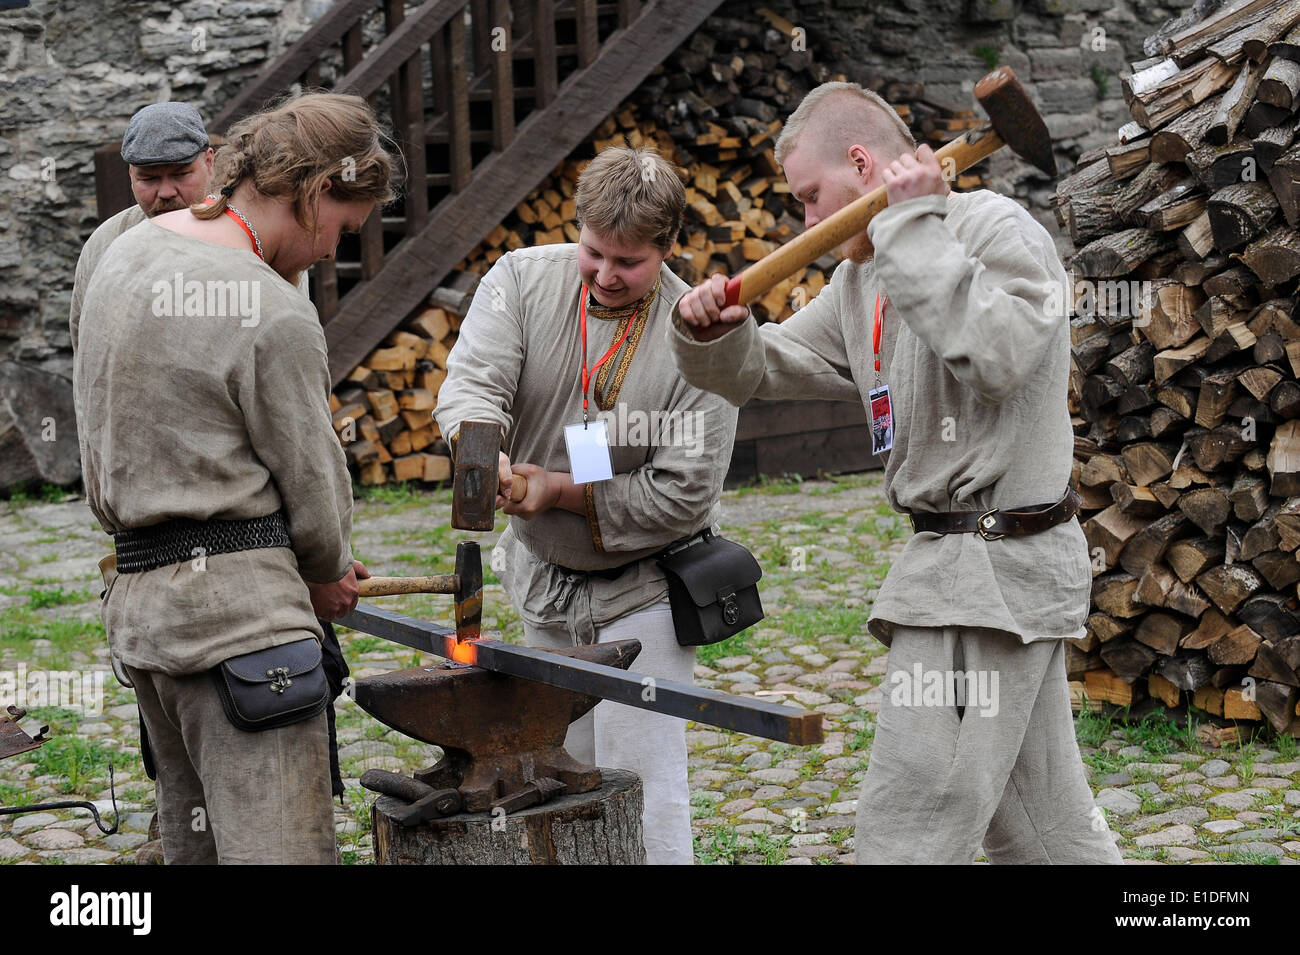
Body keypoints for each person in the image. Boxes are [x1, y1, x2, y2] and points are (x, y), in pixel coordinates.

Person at [668, 82, 1123, 865]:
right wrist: (717, 334)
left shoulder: (993, 228)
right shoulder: (857, 278)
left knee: (910, 817)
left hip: (992, 575)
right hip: (958, 575)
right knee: (1047, 829)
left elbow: (1000, 355)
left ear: (859, 162)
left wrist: (912, 223)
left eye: (812, 198)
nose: (808, 223)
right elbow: (778, 364)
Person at [73, 92, 398, 864]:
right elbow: (315, 488)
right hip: (244, 638)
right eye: (343, 231)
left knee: (196, 852)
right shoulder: (270, 307)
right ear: (317, 192)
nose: (330, 252)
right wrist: (324, 570)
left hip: (146, 624)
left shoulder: (120, 254)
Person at [435, 146, 739, 865]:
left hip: (647, 587)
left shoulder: (700, 336)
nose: (605, 275)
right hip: (546, 581)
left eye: (628, 263)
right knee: (560, 780)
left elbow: (685, 493)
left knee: (643, 786)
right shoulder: (520, 281)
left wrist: (557, 490)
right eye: (594, 252)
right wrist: (487, 452)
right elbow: (473, 381)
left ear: (666, 250)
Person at [70, 102, 215, 351]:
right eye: (149, 179)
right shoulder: (104, 244)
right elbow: (85, 345)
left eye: (181, 175)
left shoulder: (251, 237)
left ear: (209, 163)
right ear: (131, 175)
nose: (166, 192)